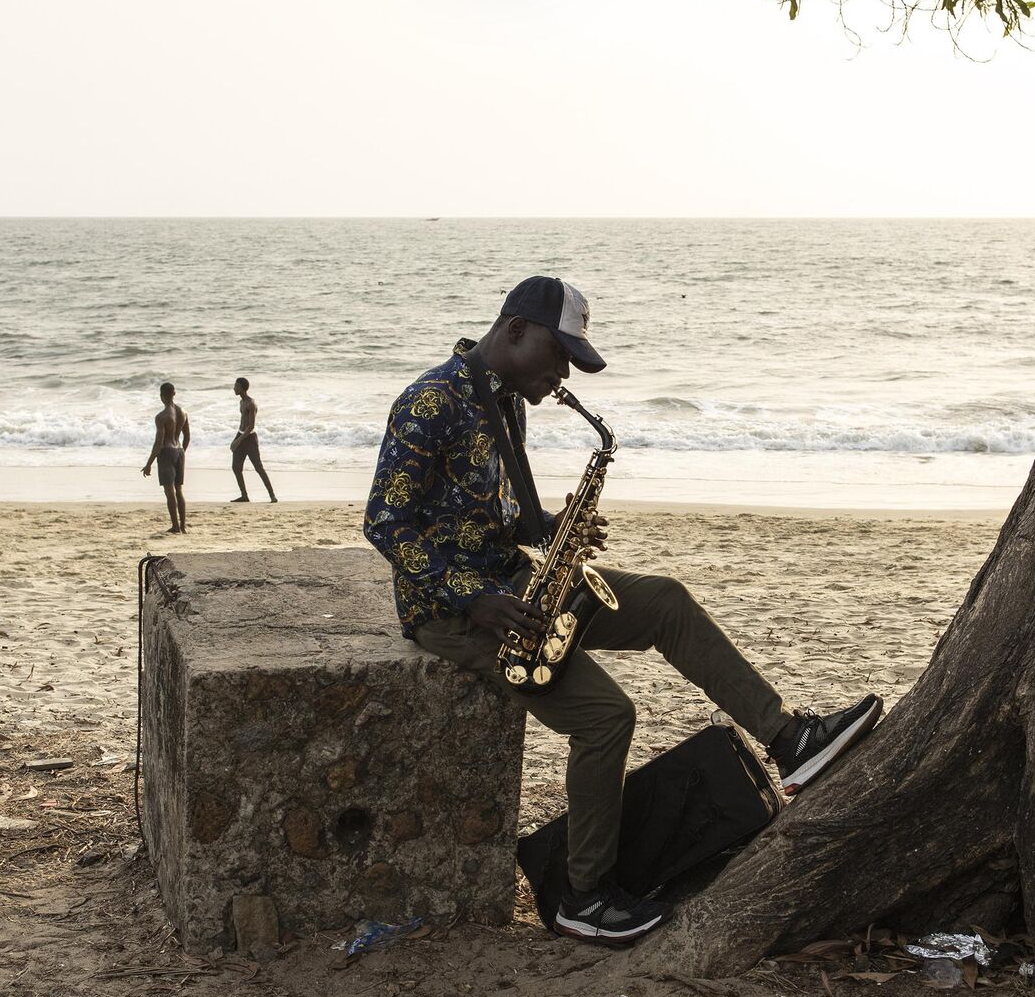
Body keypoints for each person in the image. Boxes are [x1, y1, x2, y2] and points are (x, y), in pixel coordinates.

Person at [363, 275, 882, 946]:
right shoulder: (428, 403)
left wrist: (554, 528)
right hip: (456, 613)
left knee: (663, 599)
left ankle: (790, 742)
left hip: (516, 584)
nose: (561, 376)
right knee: (608, 716)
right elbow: (385, 522)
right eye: (560, 357)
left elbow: (497, 513)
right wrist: (475, 600)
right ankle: (584, 896)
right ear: (515, 329)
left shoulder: (505, 402)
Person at [142, 381, 191, 534]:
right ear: (174, 394)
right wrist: (181, 452)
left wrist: (149, 463)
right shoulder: (183, 412)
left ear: (162, 396)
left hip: (167, 453)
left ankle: (175, 526)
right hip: (179, 451)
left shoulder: (162, 416)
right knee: (179, 490)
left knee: (169, 492)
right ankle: (183, 526)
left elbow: (159, 443)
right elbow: (187, 437)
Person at [229, 376, 279, 503]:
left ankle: (272, 495)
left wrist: (238, 441)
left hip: (250, 439)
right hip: (241, 435)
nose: (234, 388)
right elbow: (242, 423)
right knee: (236, 467)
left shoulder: (251, 404)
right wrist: (236, 438)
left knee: (258, 468)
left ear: (241, 387)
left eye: (235, 386)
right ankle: (244, 495)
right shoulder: (241, 402)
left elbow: (251, 426)